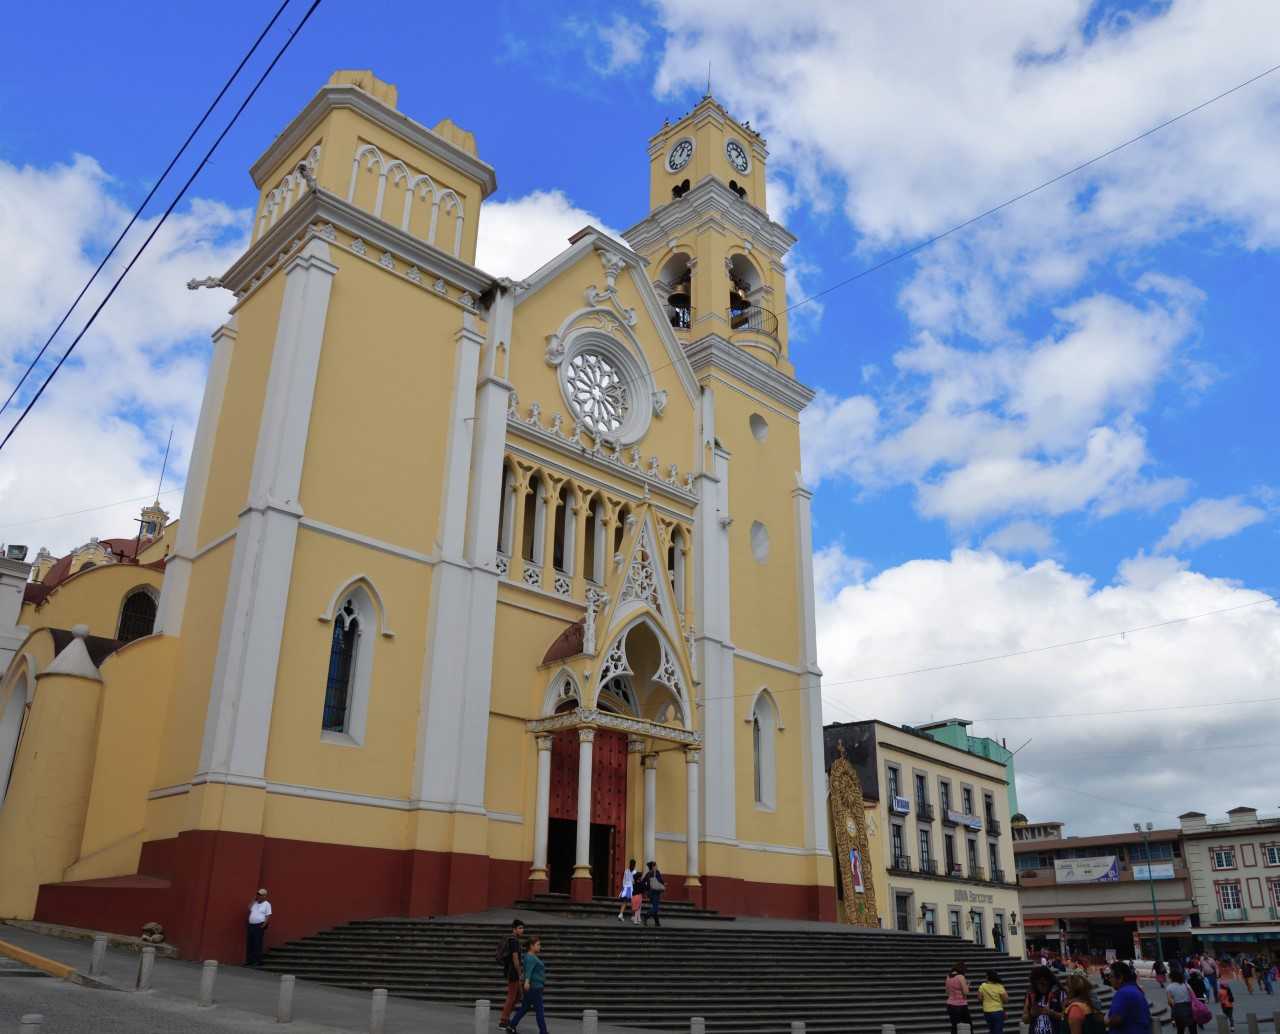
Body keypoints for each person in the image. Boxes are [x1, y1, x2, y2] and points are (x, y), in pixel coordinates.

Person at [507, 933, 548, 1034]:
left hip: (534, 987)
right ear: (531, 946)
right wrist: (527, 982)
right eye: (538, 944)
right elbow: (528, 972)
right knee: (539, 1011)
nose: (540, 946)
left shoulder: (531, 956)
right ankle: (543, 1031)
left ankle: (511, 1026)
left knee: (525, 1007)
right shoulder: (530, 957)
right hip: (534, 987)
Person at [1106, 962, 1152, 1034]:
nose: (1109, 980)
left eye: (1111, 976)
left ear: (1120, 978)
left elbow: (1117, 1019)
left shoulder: (1123, 993)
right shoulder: (1135, 989)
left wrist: (1106, 1021)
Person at [497, 918, 525, 1032]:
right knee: (512, 996)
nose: (522, 930)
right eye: (520, 928)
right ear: (514, 929)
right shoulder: (513, 941)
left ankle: (506, 1017)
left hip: (512, 971)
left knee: (518, 996)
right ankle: (503, 1021)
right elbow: (515, 959)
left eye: (523, 928)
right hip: (513, 972)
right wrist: (520, 973)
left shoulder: (515, 940)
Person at [1024, 966, 1066, 1034]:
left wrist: (1052, 1013)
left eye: (1043, 983)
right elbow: (1025, 1020)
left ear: (1049, 981)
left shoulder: (1060, 993)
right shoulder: (1031, 994)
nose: (1041, 986)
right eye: (1038, 984)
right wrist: (1031, 1014)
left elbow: (1067, 1018)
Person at [245, 887, 272, 966]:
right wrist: (253, 900)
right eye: (258, 894)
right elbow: (249, 908)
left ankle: (257, 960)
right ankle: (249, 960)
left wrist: (264, 924)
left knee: (257, 943)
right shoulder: (255, 903)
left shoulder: (267, 904)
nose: (258, 896)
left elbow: (268, 915)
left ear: (264, 896)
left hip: (259, 925)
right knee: (250, 943)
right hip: (251, 925)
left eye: (260, 895)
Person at [978, 968, 1009, 1034]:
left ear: (988, 977)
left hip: (987, 1011)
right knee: (998, 1031)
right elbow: (1006, 1000)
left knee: (991, 1030)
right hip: (998, 1011)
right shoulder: (999, 986)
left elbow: (979, 998)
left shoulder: (982, 986)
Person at [946, 961, 973, 1034]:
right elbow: (966, 992)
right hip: (961, 1005)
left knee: (954, 1026)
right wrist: (968, 985)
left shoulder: (948, 977)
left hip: (950, 1004)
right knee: (968, 1025)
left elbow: (947, 992)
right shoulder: (961, 977)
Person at [1167, 966, 1196, 1034]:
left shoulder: (1169, 987)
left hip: (1178, 1009)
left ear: (1172, 977)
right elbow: (1193, 996)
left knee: (1180, 1029)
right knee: (1192, 1029)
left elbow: (1170, 1002)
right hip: (1189, 1008)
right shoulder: (1186, 985)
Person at [640, 860, 664, 928]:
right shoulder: (657, 873)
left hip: (650, 893)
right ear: (653, 866)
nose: (657, 866)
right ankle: (646, 916)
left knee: (655, 906)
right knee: (655, 908)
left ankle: (657, 922)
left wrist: (646, 889)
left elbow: (642, 882)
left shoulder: (648, 874)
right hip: (656, 893)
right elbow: (661, 881)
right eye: (656, 865)